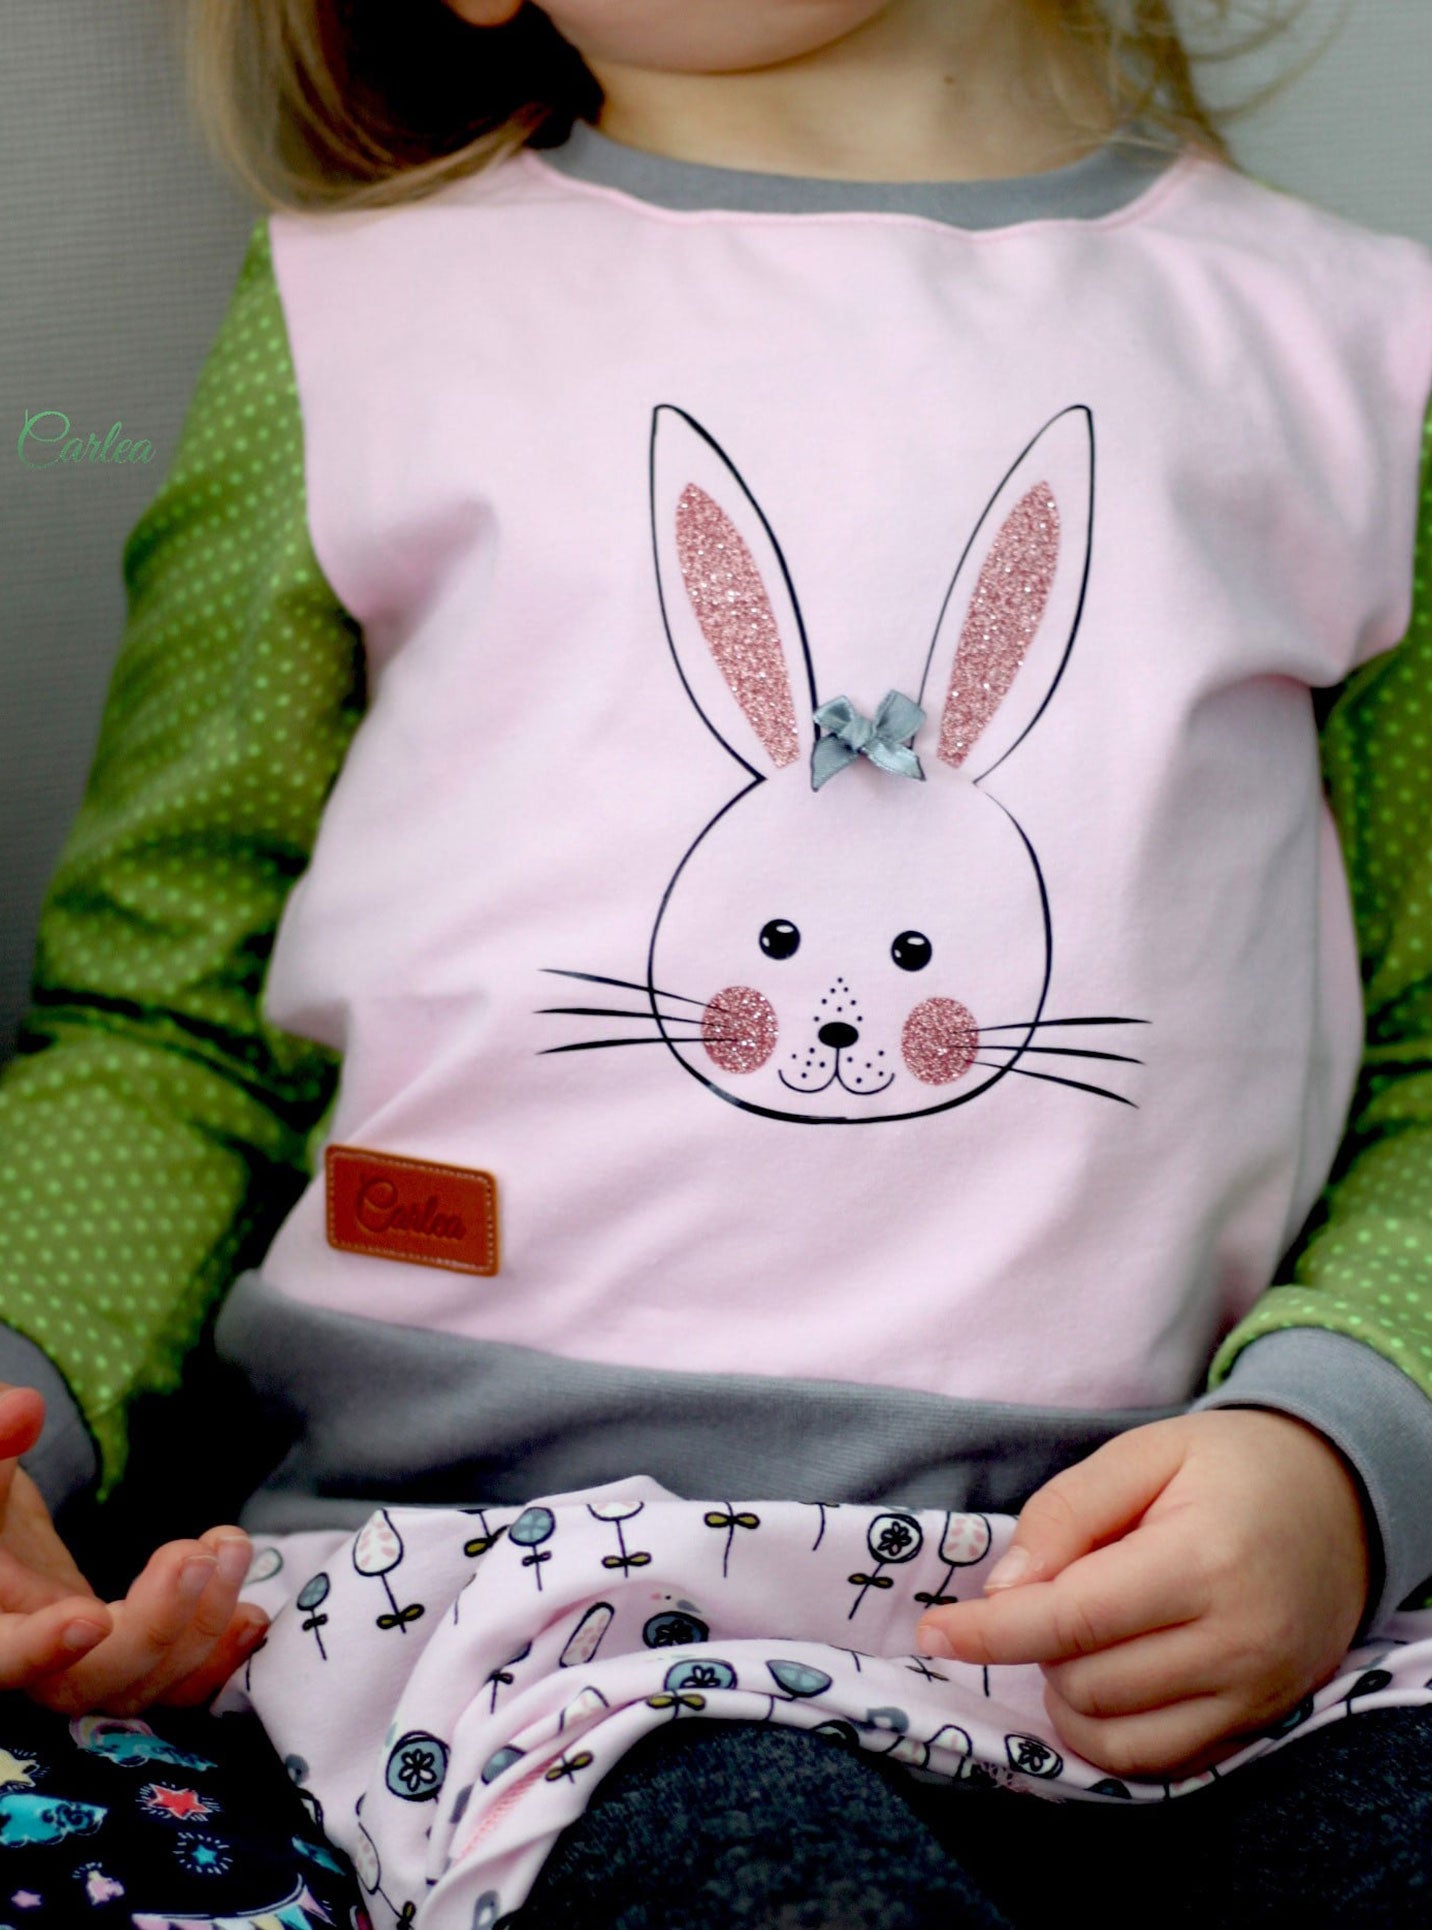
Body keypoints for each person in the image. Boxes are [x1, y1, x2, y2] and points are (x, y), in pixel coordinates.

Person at [2, 0, 1432, 1923]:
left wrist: (1340, 1449)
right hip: (543, 1613)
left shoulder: (1356, 357)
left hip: (1182, 1609)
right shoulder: (370, 317)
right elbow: (164, 1030)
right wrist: (12, 1406)